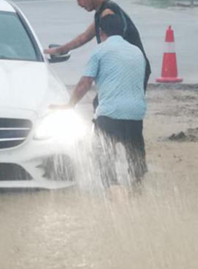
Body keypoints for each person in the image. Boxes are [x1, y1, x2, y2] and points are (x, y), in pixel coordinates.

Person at [54, 14, 148, 187]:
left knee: (105, 161)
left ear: (101, 32)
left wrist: (70, 104)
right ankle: (137, 192)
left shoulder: (100, 50)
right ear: (122, 31)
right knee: (135, 160)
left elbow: (85, 83)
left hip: (109, 115)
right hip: (135, 114)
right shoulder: (137, 52)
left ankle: (112, 194)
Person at [44, 0, 151, 91]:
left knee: (107, 105)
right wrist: (58, 50)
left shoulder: (108, 13)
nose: (79, 4)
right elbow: (84, 37)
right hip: (129, 68)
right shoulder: (102, 11)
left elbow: (114, 48)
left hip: (131, 69)